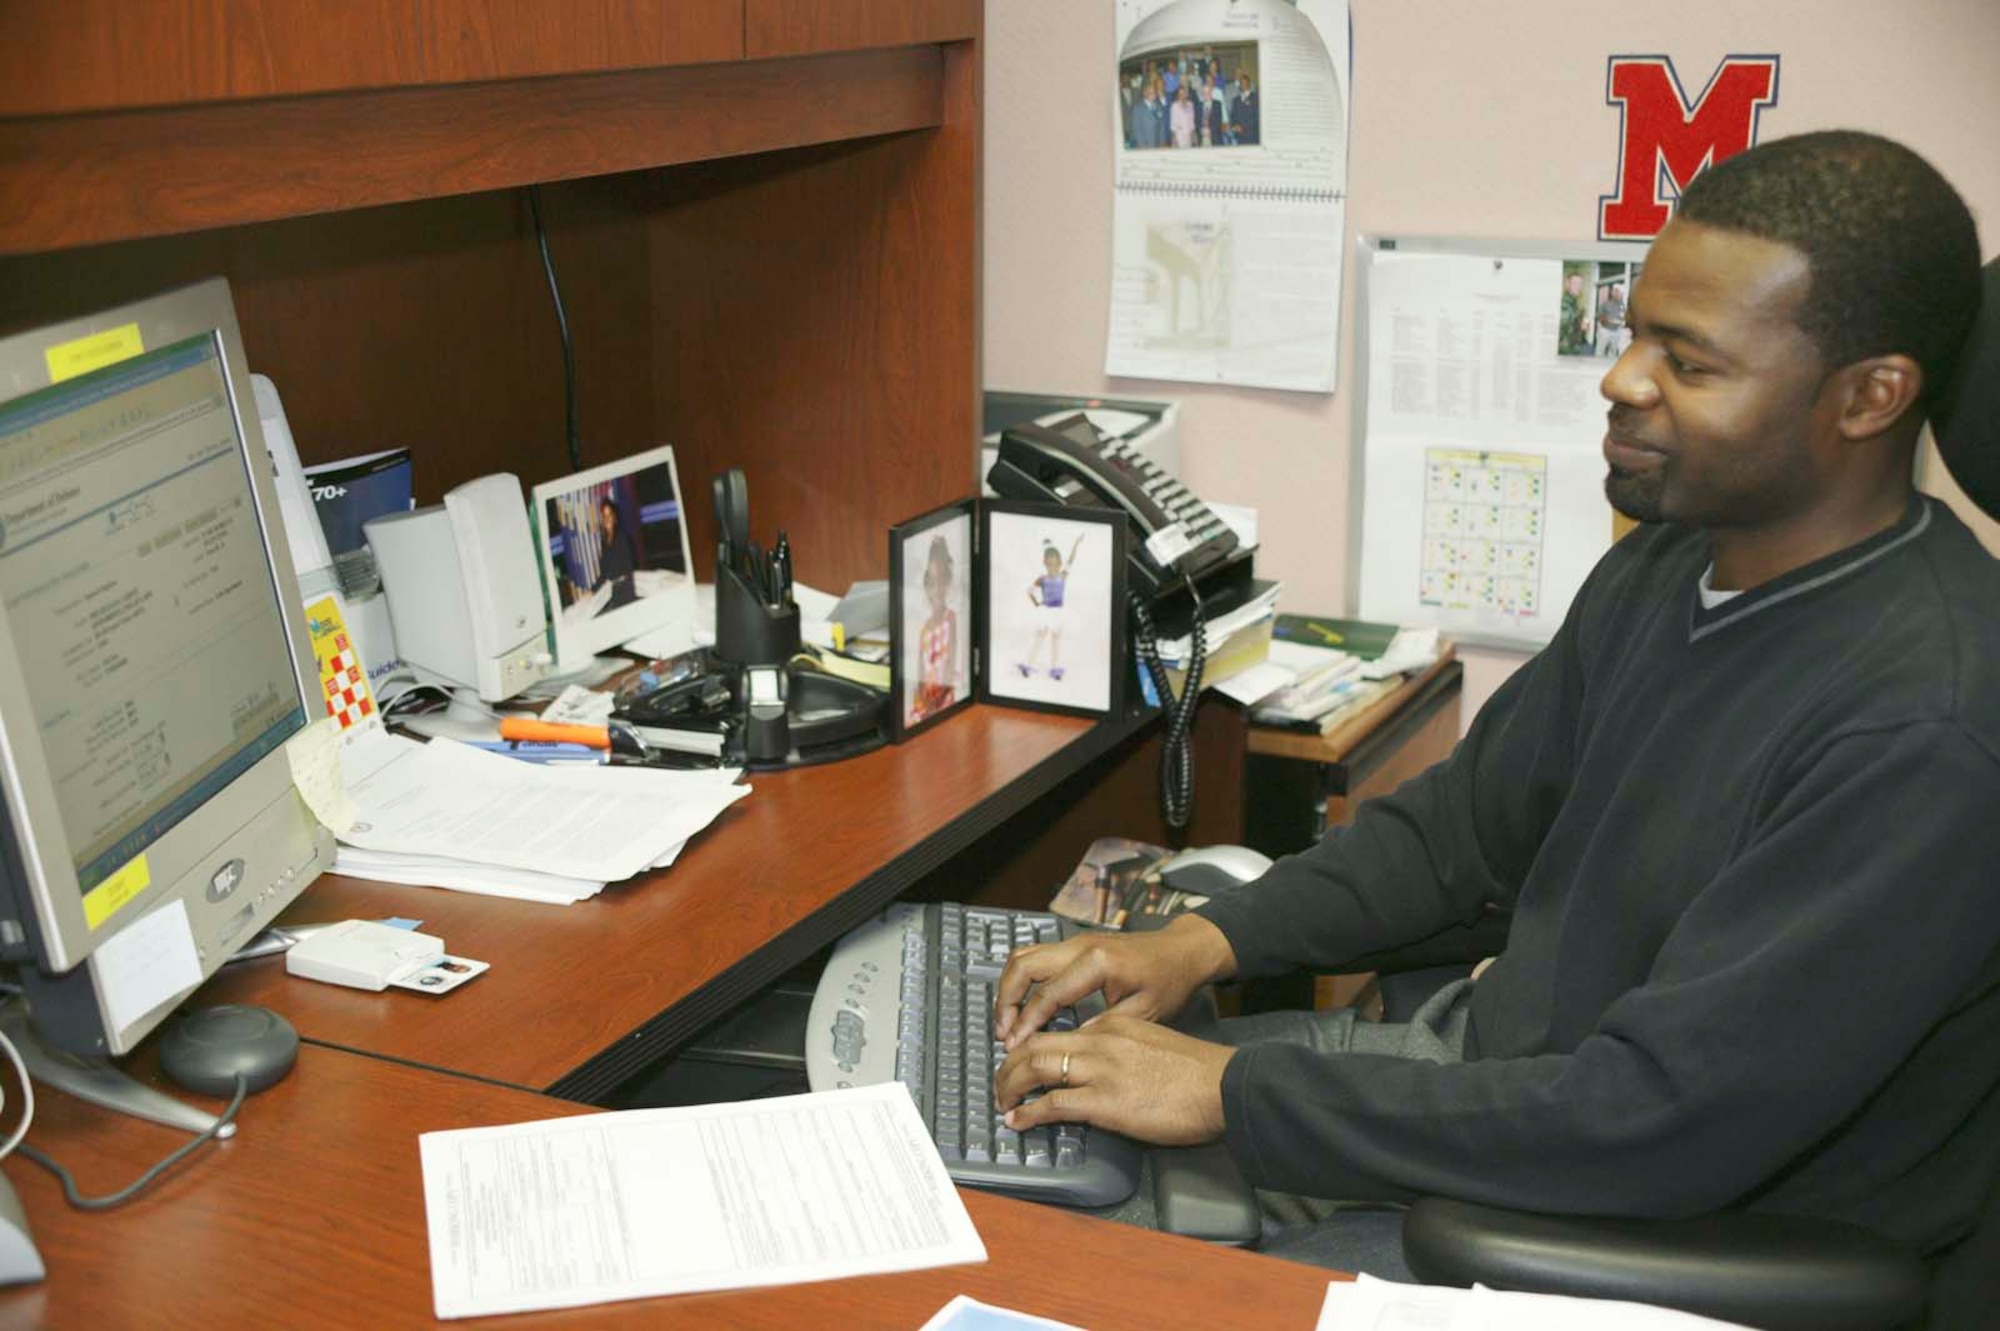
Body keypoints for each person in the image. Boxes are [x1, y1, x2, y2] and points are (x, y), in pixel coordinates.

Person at [991, 130, 2000, 1284]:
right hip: (1493, 1090)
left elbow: (1657, 1116)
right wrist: (1195, 941)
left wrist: (1225, 1088)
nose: (1621, 380)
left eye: (1689, 361)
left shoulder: (1928, 728)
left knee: (1072, 1273)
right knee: (1022, 1145)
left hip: (1636, 1225)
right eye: (1632, 335)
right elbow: (1464, 832)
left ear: (1867, 398)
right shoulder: (1675, 560)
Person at [908, 534, 959, 725]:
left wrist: (936, 701)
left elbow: (950, 666)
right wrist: (923, 701)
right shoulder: (924, 629)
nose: (935, 590)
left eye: (940, 582)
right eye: (931, 583)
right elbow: (920, 672)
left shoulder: (950, 619)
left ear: (947, 584)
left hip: (942, 697)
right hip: (925, 700)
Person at [1020, 534, 1085, 680]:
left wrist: (1076, 543)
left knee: (1056, 640)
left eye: (1056, 564)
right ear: (1045, 563)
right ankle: (1027, 664)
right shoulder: (1042, 579)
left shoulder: (1062, 576)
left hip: (1059, 613)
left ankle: (1055, 668)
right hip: (1046, 611)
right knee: (1039, 637)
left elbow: (1071, 560)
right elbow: (1029, 591)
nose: (1053, 567)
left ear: (1060, 563)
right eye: (1050, 564)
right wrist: (1037, 603)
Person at [592, 495, 641, 607]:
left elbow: (628, 568)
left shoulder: (622, 538)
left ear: (614, 517)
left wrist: (616, 579)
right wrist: (592, 590)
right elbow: (604, 574)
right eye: (604, 516)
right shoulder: (604, 543)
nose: (607, 519)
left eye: (609, 515)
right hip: (614, 593)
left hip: (626, 591)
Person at [1557, 269, 1593, 354]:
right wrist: (1581, 327)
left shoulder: (1573, 301)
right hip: (1566, 349)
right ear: (1568, 284)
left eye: (1580, 284)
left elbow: (1572, 322)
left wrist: (1581, 325)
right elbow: (1561, 332)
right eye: (1575, 283)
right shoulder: (1565, 304)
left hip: (1574, 346)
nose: (1578, 286)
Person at [1596, 280, 1629, 356]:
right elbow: (1600, 316)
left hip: (1617, 331)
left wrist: (1624, 320)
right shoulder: (1606, 304)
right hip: (1605, 331)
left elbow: (1624, 316)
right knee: (1600, 351)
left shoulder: (1622, 305)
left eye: (1620, 293)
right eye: (1617, 292)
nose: (1619, 294)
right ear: (1613, 293)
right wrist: (1606, 320)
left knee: (1613, 352)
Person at [1133, 77, 1168, 151]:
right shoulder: (1138, 108)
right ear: (1144, 93)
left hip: (1158, 143)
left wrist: (1162, 142)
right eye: (1150, 92)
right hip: (1145, 144)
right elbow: (1137, 129)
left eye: (1154, 92)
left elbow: (1161, 125)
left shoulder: (1158, 106)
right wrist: (1141, 145)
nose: (1153, 94)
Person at [1230, 72, 1259, 146]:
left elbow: (1257, 117)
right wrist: (1235, 125)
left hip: (1252, 136)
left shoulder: (1255, 98)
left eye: (1245, 82)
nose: (1243, 84)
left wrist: (1244, 127)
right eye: (1241, 83)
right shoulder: (1235, 100)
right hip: (1239, 136)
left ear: (1249, 84)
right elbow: (1233, 116)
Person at [1168, 83, 1196, 150]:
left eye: (1184, 93)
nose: (1182, 95)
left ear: (1187, 94)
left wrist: (1193, 138)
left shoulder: (1191, 105)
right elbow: (1173, 124)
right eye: (1180, 94)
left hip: (1189, 135)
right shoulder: (1174, 106)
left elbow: (1192, 122)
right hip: (1179, 136)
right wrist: (1175, 141)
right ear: (1178, 95)